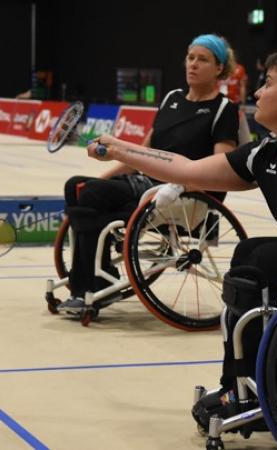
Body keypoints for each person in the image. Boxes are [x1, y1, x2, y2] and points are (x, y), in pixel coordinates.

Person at [85, 50, 277, 430]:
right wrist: (122, 149)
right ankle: (244, 388)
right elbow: (188, 169)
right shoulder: (267, 153)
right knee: (251, 253)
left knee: (263, 259)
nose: (256, 93)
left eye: (268, 83)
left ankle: (259, 391)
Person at [56, 34, 240, 314]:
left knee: (93, 195)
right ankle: (94, 278)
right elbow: (140, 155)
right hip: (146, 187)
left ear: (219, 68)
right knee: (79, 186)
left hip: (184, 197)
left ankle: (90, 286)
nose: (193, 64)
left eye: (202, 59)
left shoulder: (224, 110)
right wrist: (99, 179)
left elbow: (220, 167)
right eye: (190, 57)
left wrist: (181, 185)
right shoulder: (171, 99)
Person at [218, 49, 252, 145]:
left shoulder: (239, 69)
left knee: (240, 133)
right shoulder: (217, 69)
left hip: (234, 104)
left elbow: (242, 86)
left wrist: (243, 103)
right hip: (219, 104)